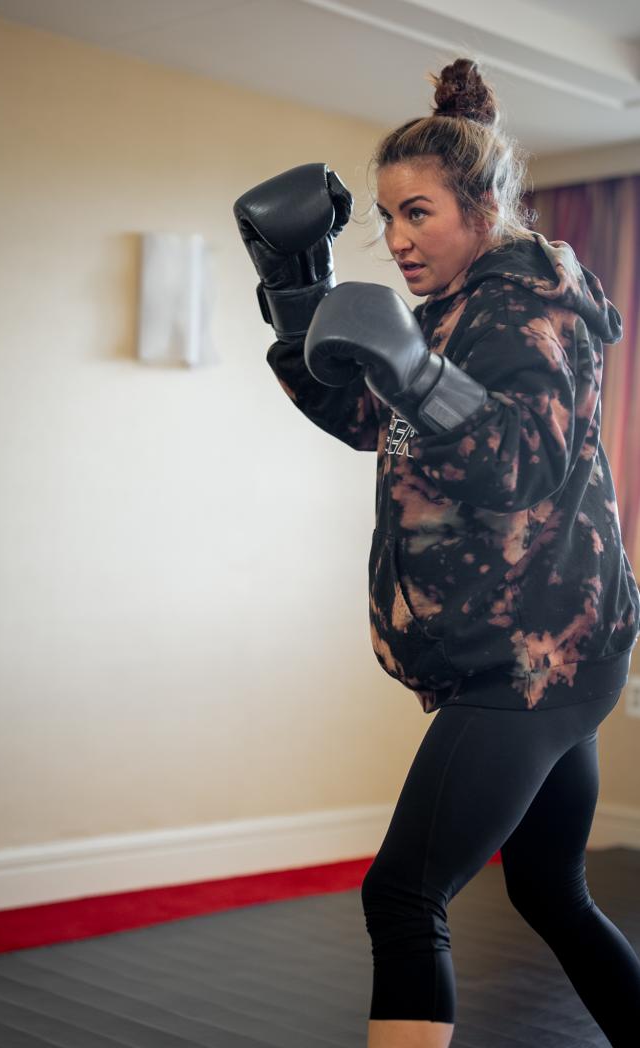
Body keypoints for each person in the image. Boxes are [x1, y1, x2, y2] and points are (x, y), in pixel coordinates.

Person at [233, 58, 640, 1048]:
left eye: (417, 213)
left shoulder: (538, 292)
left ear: (484, 205)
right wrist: (297, 291)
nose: (399, 240)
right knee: (548, 891)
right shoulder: (454, 310)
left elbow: (523, 459)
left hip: (536, 651)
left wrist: (419, 371)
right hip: (528, 645)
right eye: (385, 218)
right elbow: (364, 416)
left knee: (402, 895)